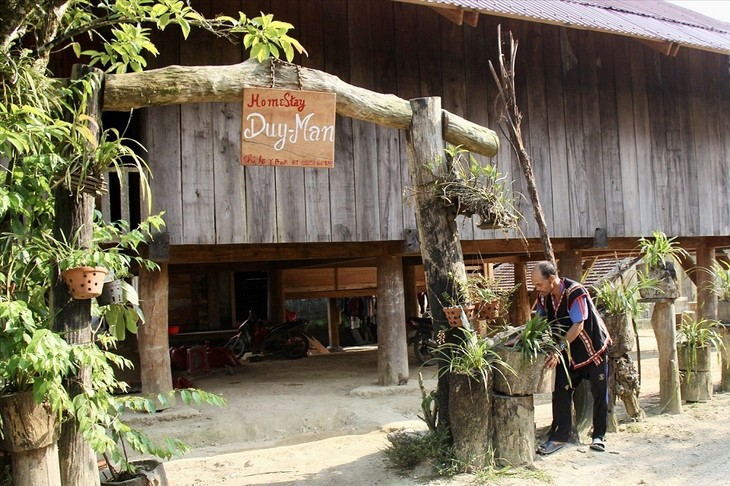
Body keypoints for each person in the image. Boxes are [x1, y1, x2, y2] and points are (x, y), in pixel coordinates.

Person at [531, 260, 611, 455]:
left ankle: (599, 435)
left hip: (594, 351)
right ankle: (559, 437)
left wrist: (557, 349)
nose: (536, 289)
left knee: (599, 392)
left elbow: (578, 325)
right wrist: (522, 337)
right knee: (561, 391)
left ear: (551, 279)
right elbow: (537, 322)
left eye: (539, 284)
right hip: (569, 353)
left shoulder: (575, 291)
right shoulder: (544, 297)